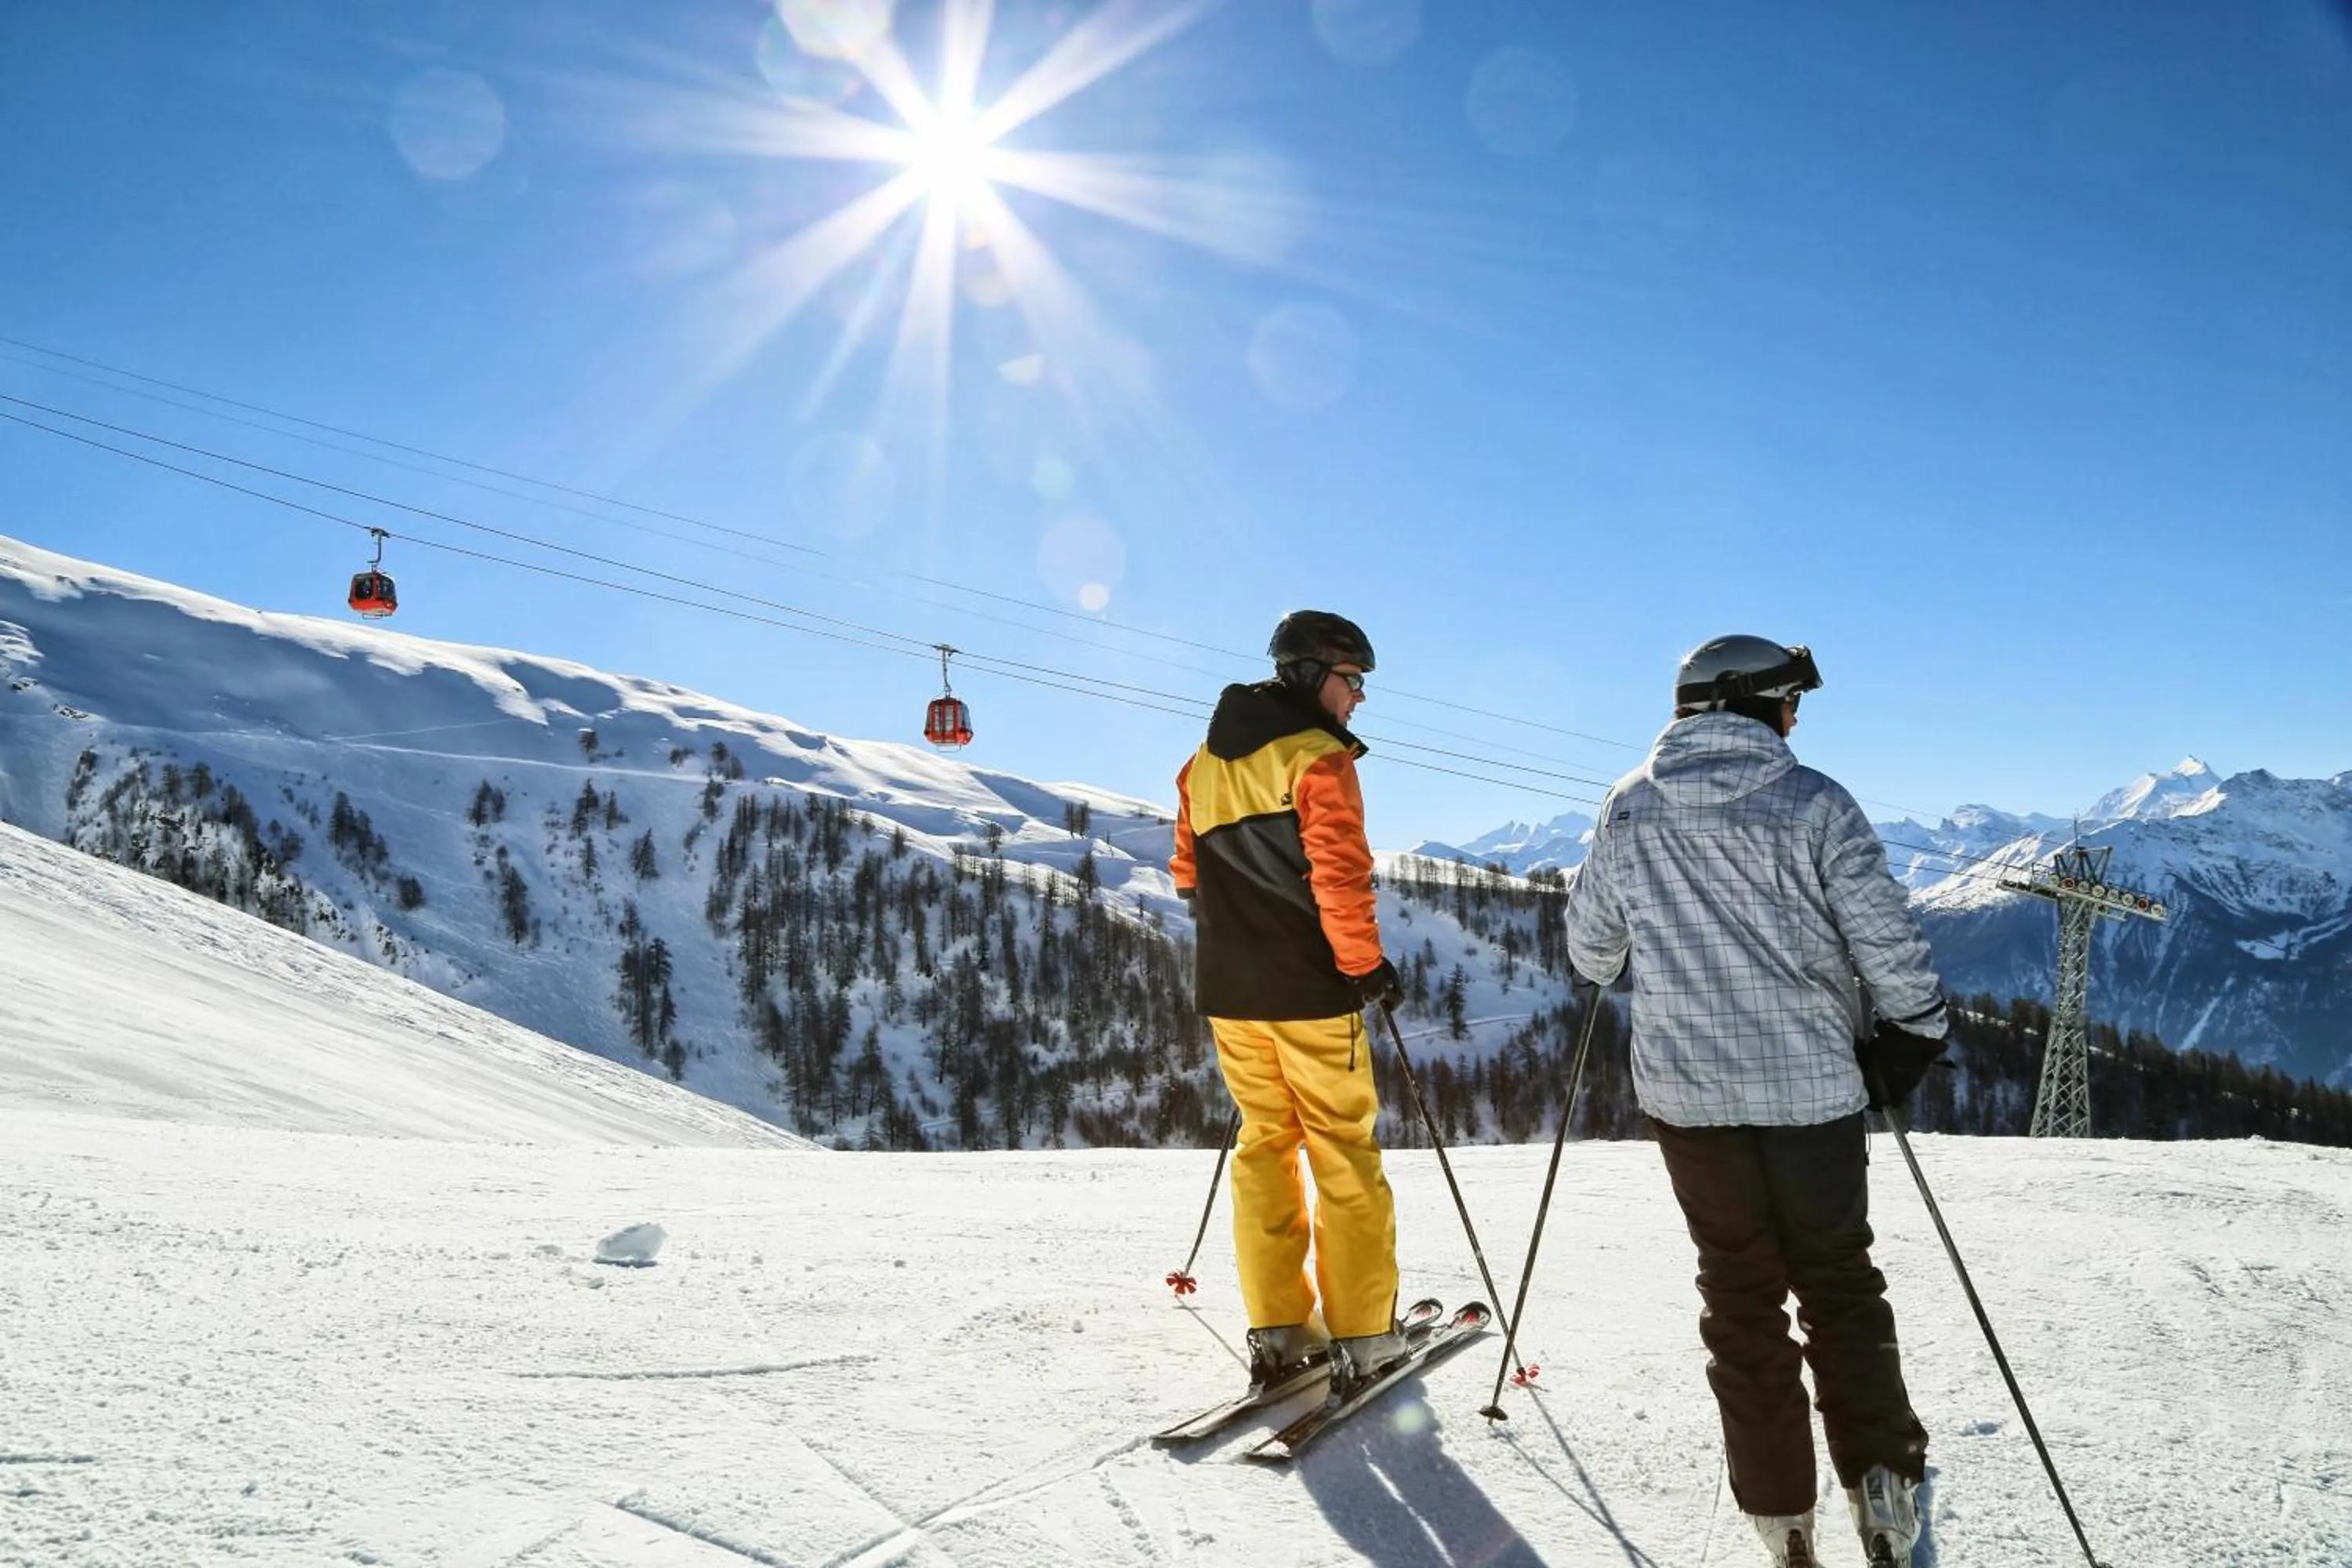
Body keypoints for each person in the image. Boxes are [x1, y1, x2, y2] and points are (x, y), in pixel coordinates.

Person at [1560, 635, 1949, 1568]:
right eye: (1788, 699)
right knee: (1839, 1283)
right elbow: (1884, 937)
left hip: (1690, 1100)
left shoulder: (1628, 806)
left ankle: (1782, 1515)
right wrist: (1914, 1029)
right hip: (1812, 1091)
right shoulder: (1815, 801)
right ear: (1743, 701)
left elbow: (1591, 952)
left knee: (1738, 1293)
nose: (1795, 716)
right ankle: (1882, 1483)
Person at [1170, 609, 1411, 1400]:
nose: (1359, 697)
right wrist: (1364, 966)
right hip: (1309, 991)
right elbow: (1339, 876)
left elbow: (1187, 876)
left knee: (1265, 1145)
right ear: (1312, 675)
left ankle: (1279, 1329)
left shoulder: (1201, 765)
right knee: (1343, 1150)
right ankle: (1364, 1336)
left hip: (1231, 993)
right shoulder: (1317, 757)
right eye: (1353, 680)